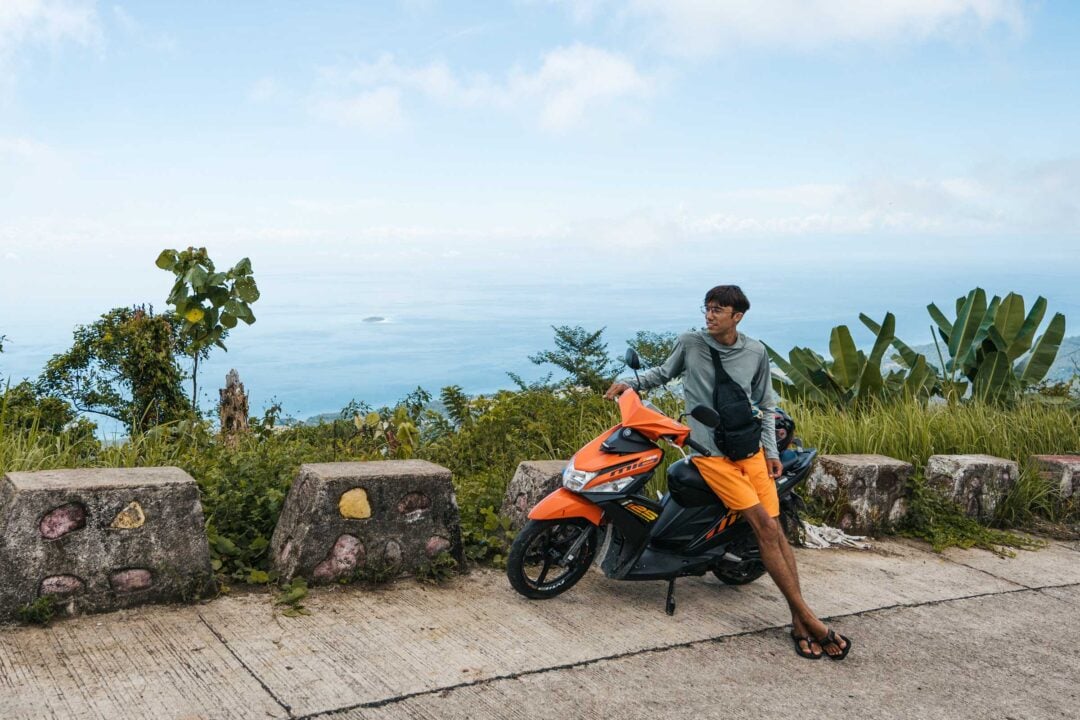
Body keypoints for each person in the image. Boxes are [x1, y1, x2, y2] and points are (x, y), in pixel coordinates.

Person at [604, 285, 851, 661]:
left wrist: (769, 452)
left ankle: (800, 621)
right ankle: (810, 622)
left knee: (777, 532)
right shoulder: (691, 343)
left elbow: (766, 406)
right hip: (711, 456)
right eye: (707, 308)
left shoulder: (755, 352)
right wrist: (629, 383)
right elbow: (662, 373)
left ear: (737, 316)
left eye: (718, 310)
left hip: (749, 451)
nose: (709, 315)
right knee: (767, 528)